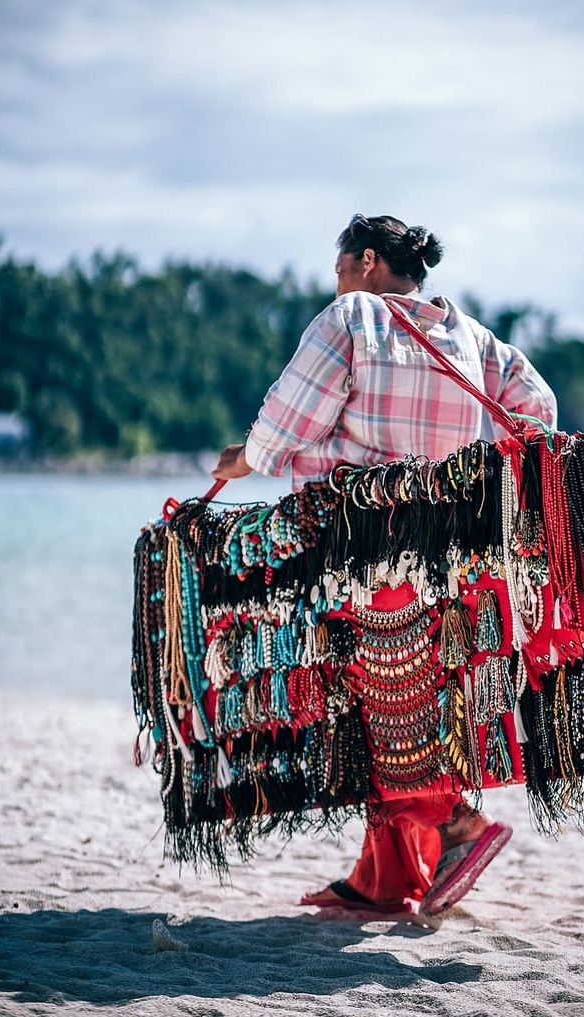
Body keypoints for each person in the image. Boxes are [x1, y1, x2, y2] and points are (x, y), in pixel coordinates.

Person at [212, 214, 557, 919]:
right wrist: (468, 470)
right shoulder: (474, 338)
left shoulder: (355, 316)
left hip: (365, 545)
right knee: (405, 693)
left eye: (340, 268)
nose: (337, 282)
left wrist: (247, 460)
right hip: (453, 558)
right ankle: (385, 878)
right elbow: (538, 410)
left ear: (367, 261)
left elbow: (286, 423)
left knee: (378, 702)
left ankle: (457, 824)